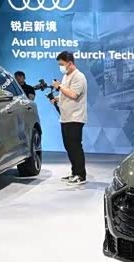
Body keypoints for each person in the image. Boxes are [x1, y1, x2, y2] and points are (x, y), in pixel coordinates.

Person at [51, 51, 88, 186]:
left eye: (62, 64)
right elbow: (66, 94)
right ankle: (74, 172)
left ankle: (81, 175)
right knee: (69, 146)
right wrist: (57, 99)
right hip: (65, 117)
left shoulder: (79, 77)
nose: (60, 67)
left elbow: (74, 95)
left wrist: (59, 87)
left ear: (70, 63)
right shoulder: (66, 76)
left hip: (75, 117)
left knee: (75, 146)